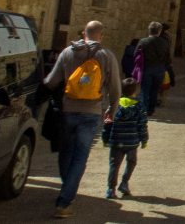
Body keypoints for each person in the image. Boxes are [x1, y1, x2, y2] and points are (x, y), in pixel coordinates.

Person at [44, 21, 121, 218]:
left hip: (67, 110)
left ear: (83, 33)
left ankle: (67, 189)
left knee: (66, 151)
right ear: (101, 36)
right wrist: (112, 110)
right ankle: (64, 201)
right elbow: (115, 87)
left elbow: (51, 81)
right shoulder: (107, 56)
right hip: (92, 112)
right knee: (80, 156)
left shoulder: (67, 53)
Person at [101, 78, 148, 199]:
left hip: (116, 141)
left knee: (114, 165)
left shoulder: (114, 106)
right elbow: (142, 125)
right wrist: (144, 140)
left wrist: (105, 138)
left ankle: (111, 189)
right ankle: (124, 182)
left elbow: (107, 123)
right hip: (132, 141)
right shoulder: (139, 107)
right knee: (131, 162)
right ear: (135, 91)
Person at [136, 22, 171, 116]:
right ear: (159, 31)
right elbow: (168, 58)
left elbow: (135, 55)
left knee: (145, 89)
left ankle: (143, 109)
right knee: (155, 89)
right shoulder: (164, 42)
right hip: (159, 69)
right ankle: (151, 109)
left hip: (146, 68)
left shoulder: (143, 41)